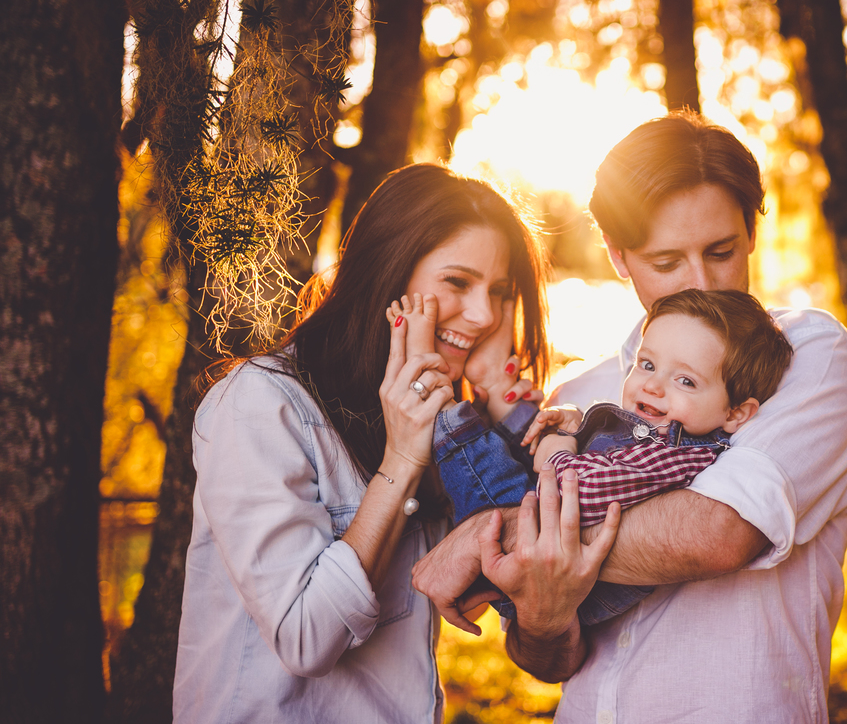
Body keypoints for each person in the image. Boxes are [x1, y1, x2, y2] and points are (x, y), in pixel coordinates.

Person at [412, 111, 847, 722]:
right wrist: (545, 614)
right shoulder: (582, 394)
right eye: (667, 262)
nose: (703, 283)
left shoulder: (806, 355)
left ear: (752, 233)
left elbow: (718, 533)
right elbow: (547, 661)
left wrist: (491, 536)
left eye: (721, 251)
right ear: (619, 255)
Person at [172, 164, 618, 723]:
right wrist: (403, 460)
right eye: (457, 283)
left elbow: (537, 577)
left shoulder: (453, 423)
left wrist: (502, 393)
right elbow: (306, 638)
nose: (482, 314)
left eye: (498, 292)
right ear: (388, 275)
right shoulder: (262, 405)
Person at [430, 288, 793, 625]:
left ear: (735, 414)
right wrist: (570, 424)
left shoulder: (684, 456)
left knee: (480, 462)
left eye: (686, 381)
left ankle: (436, 403)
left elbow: (576, 491)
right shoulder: (657, 429)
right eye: (647, 365)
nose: (652, 385)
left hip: (539, 576)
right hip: (542, 531)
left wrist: (561, 450)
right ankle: (496, 385)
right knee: (534, 433)